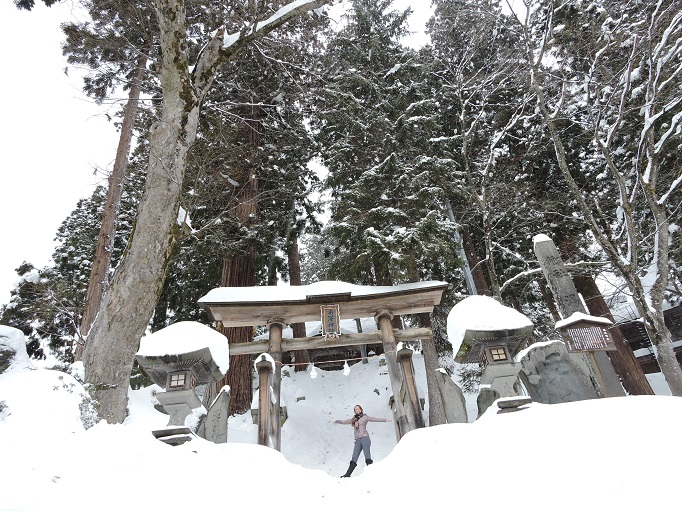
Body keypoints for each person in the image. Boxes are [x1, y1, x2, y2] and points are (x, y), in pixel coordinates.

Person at [334, 404, 391, 478]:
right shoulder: (353, 419)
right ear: (354, 411)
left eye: (358, 409)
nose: (357, 410)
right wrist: (337, 421)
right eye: (356, 409)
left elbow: (374, 419)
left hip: (365, 439)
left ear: (361, 409)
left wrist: (385, 420)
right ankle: (347, 474)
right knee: (354, 457)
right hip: (358, 440)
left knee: (367, 457)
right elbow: (345, 421)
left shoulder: (365, 417)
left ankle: (371, 474)